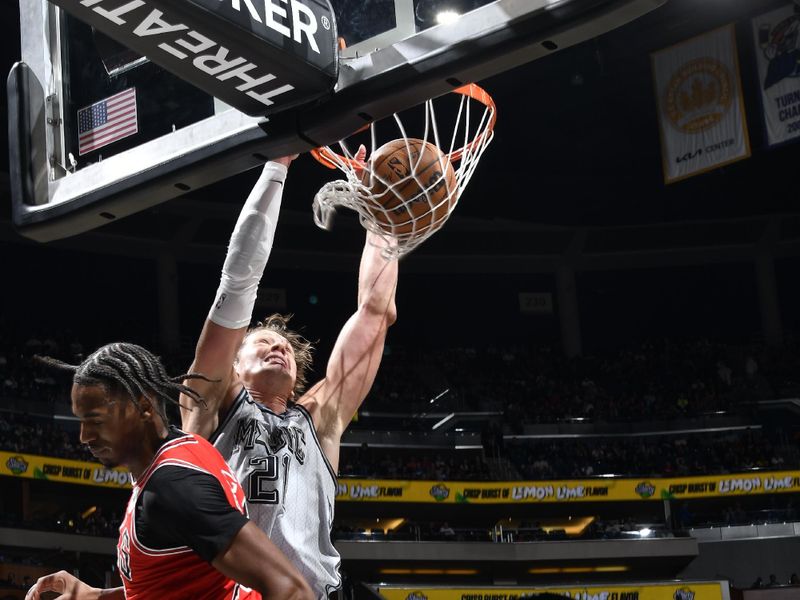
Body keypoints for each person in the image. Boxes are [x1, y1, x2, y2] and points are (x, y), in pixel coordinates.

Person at [180, 154, 398, 597]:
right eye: (262, 342)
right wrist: (275, 166)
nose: (277, 346)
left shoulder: (320, 418)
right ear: (234, 366)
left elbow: (375, 312)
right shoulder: (208, 405)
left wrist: (385, 218)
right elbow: (236, 284)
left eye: (284, 348)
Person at [26, 342, 313, 600]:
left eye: (96, 421)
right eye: (81, 421)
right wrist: (95, 596)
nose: (84, 436)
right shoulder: (184, 451)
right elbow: (176, 585)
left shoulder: (171, 488)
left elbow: (291, 589)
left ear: (143, 407)